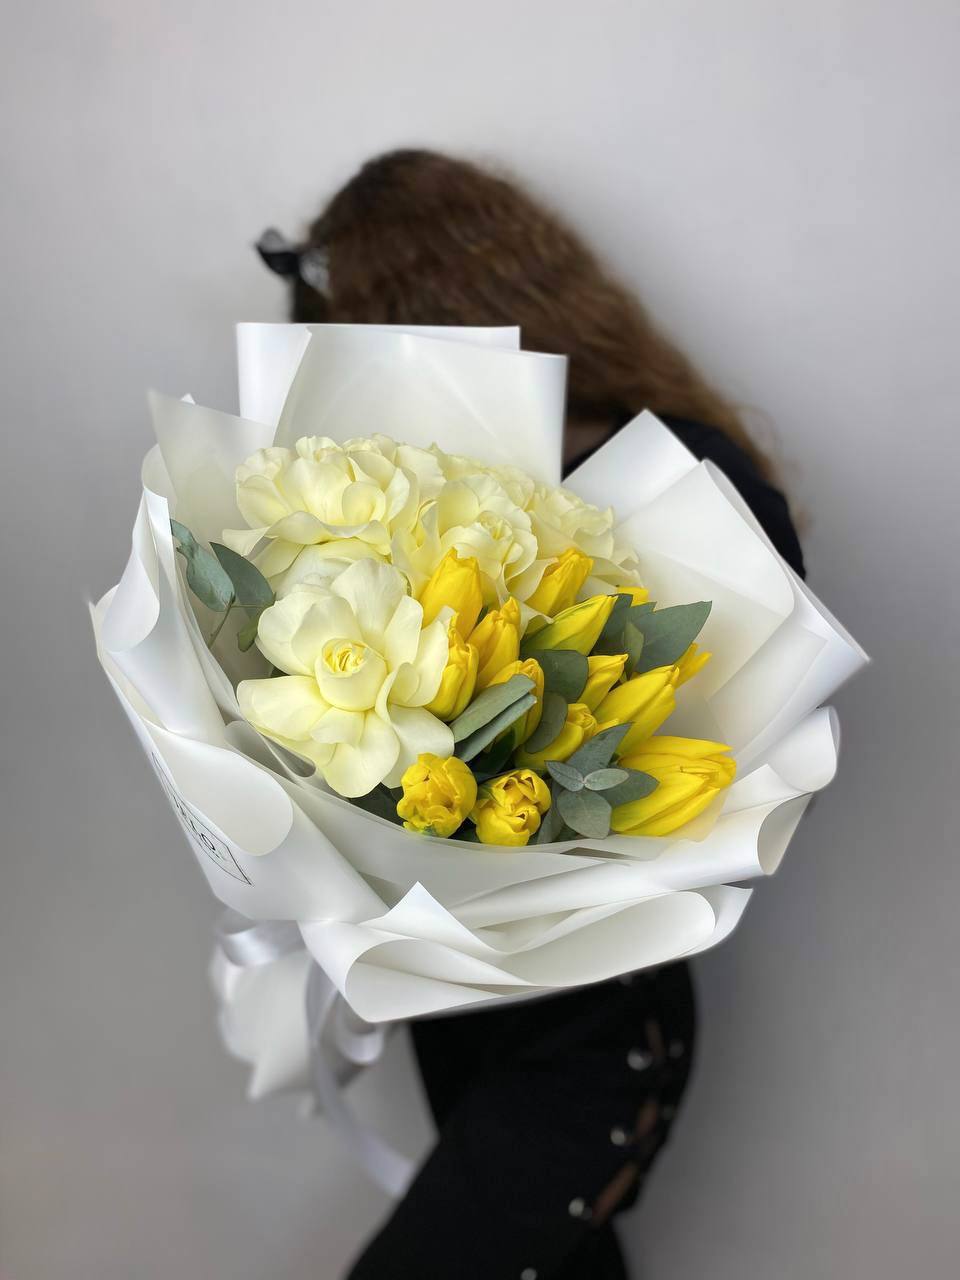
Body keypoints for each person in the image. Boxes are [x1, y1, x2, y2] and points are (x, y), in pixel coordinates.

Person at [256, 149, 805, 1280]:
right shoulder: (421, 490)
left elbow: (729, 751)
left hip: (593, 1032)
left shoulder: (683, 473)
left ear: (437, 315)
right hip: (460, 1003)